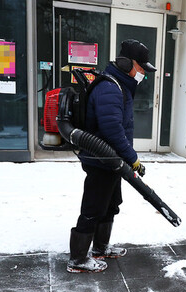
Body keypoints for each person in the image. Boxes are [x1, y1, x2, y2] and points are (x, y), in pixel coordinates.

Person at [67, 39, 156, 273]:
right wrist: (132, 158)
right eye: (141, 67)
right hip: (101, 159)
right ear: (127, 63)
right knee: (93, 207)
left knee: (111, 204)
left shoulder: (120, 85)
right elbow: (112, 129)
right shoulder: (110, 87)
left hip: (112, 161)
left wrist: (125, 158)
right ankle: (77, 259)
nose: (143, 73)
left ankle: (101, 247)